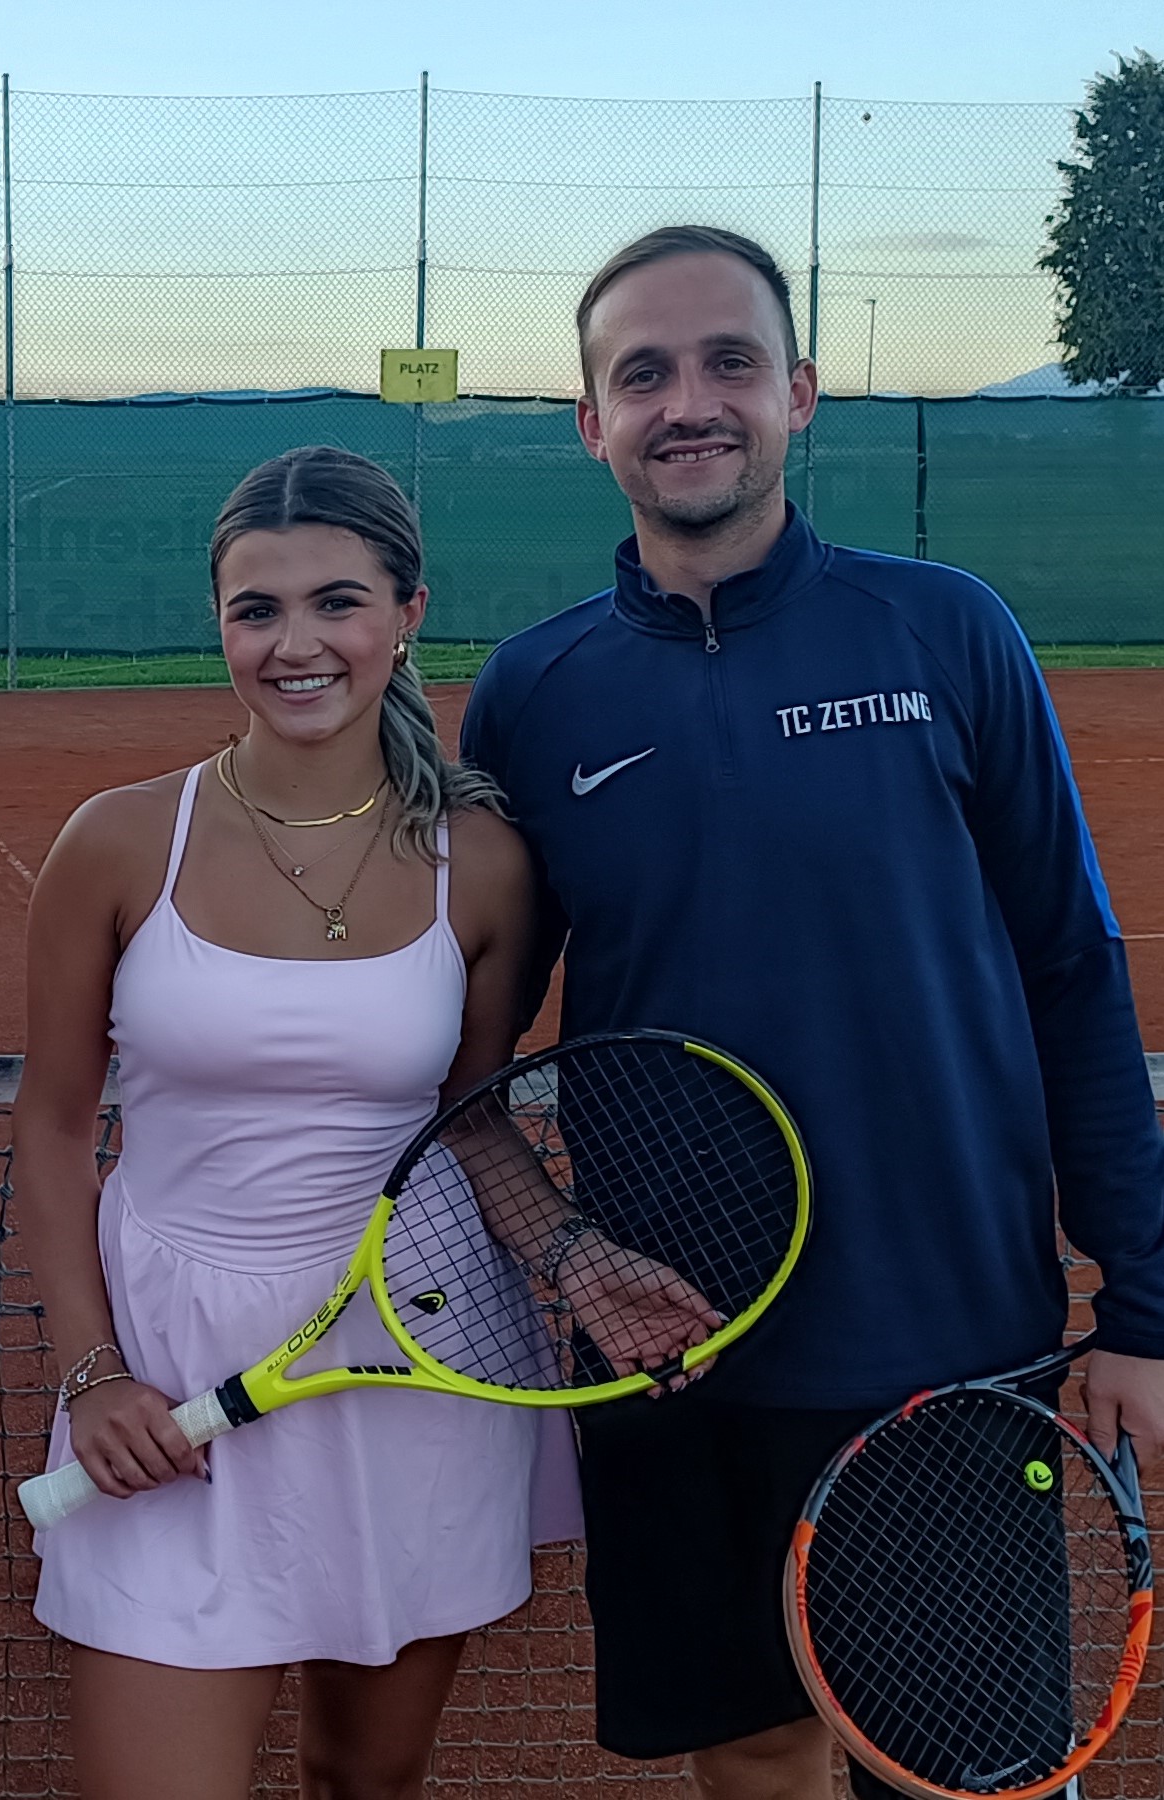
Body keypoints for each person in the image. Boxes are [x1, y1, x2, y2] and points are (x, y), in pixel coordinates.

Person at [459, 224, 1164, 1800]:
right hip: (671, 1359)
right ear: (590, 422)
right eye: (642, 373)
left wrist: (1141, 1305)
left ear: (799, 393)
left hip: (943, 1348)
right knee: (753, 1759)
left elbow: (1068, 968)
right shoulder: (534, 695)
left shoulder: (945, 631)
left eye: (729, 361)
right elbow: (464, 1069)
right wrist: (572, 1260)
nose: (686, 402)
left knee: (962, 1779)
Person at [12, 445, 583, 1800]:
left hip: (413, 1353)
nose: (295, 644)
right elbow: (50, 1126)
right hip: (166, 1366)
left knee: (363, 1784)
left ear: (406, 615)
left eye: (338, 602)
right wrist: (93, 1374)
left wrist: (575, 1260)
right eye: (255, 610)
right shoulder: (117, 841)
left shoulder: (484, 864)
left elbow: (471, 1123)